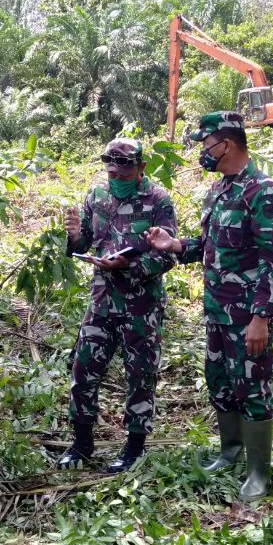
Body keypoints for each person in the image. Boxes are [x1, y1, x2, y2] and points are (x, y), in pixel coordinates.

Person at [145, 111, 273, 501]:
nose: (203, 152)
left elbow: (269, 261)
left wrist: (261, 317)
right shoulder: (220, 191)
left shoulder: (263, 191)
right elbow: (209, 246)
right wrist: (174, 245)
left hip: (247, 316)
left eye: (206, 144)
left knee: (252, 388)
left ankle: (259, 473)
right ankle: (230, 452)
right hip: (216, 312)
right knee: (220, 382)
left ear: (227, 142)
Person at [56, 138, 178, 473]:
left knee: (140, 376)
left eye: (123, 175)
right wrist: (73, 236)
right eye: (111, 173)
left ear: (140, 169)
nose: (116, 179)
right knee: (82, 371)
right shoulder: (96, 197)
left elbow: (168, 254)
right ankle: (81, 444)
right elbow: (84, 240)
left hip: (141, 306)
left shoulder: (158, 201)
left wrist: (130, 268)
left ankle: (133, 449)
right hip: (101, 302)